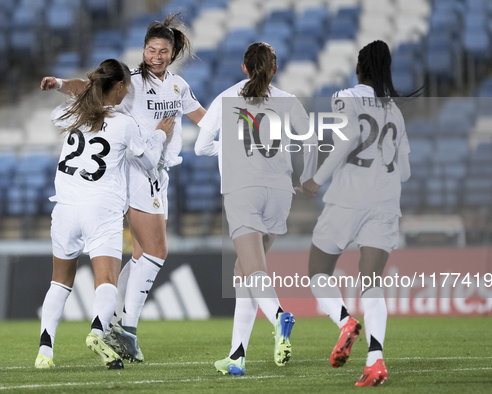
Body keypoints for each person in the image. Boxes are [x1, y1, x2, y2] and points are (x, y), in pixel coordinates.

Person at [41, 14, 206, 362]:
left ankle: (116, 321)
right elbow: (86, 88)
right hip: (135, 168)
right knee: (156, 251)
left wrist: (238, 132)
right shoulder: (128, 81)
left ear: (173, 53)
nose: (156, 56)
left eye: (163, 51)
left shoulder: (178, 86)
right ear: (143, 49)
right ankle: (124, 327)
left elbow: (202, 119)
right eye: (150, 49)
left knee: (144, 254)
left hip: (159, 172)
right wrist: (58, 83)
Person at [35, 59, 174, 370]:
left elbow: (78, 93)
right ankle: (98, 331)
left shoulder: (72, 112)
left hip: (65, 208)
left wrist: (59, 84)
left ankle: (45, 349)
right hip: (101, 208)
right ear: (121, 87)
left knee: (59, 282)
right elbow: (150, 162)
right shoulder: (124, 124)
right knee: (106, 280)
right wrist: (162, 134)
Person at [195, 42, 318, 376]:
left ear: (243, 67)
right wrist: (308, 179)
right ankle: (237, 356)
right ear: (274, 69)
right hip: (280, 192)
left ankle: (279, 316)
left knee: (254, 271)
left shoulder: (225, 98)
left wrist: (228, 145)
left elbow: (200, 145)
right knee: (244, 273)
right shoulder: (288, 100)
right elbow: (311, 142)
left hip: (242, 192)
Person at [299, 40, 411, 387]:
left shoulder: (344, 96)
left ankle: (346, 322)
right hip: (386, 201)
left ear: (360, 67)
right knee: (372, 282)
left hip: (349, 198)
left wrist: (316, 180)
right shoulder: (394, 110)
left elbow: (345, 141)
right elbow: (405, 171)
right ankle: (376, 360)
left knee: (317, 270)